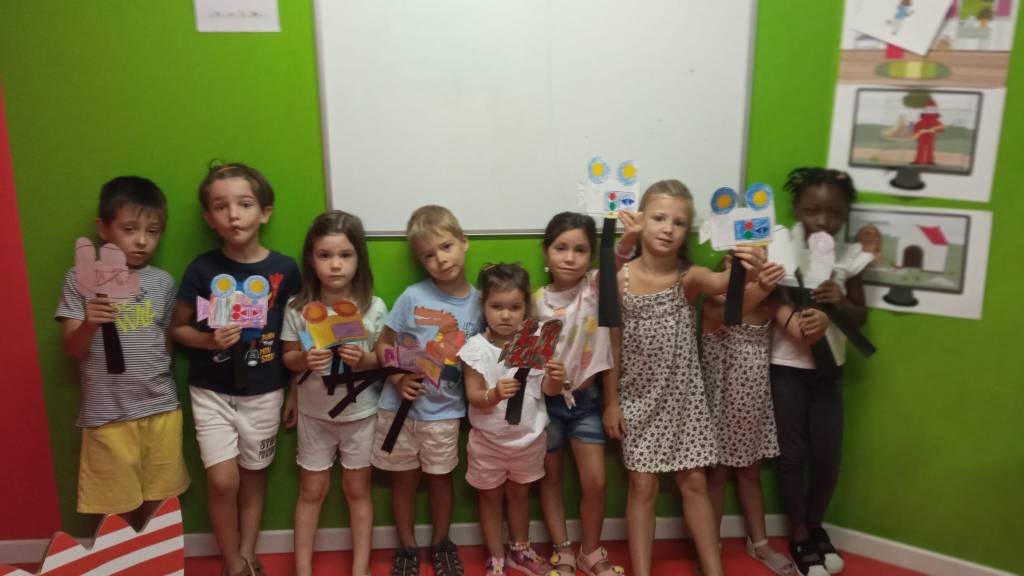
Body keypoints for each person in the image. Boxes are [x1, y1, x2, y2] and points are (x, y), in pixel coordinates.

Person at [610, 179, 764, 576]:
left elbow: (725, 283)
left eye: (678, 223)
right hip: (637, 398)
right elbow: (612, 346)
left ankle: (714, 570)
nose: (668, 229)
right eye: (659, 218)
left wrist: (748, 262)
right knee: (642, 487)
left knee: (694, 482)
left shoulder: (689, 276)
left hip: (684, 399)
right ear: (641, 220)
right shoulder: (620, 278)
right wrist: (611, 402)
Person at [170, 163, 300, 576]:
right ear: (208, 218)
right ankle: (232, 563)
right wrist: (209, 341)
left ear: (265, 212)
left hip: (265, 391)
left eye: (244, 204)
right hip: (211, 391)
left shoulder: (286, 270)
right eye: (220, 206)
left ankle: (246, 553)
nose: (233, 215)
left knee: (254, 476)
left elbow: (295, 336)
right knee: (223, 481)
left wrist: (295, 391)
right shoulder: (202, 269)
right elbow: (177, 329)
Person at [56, 176, 189, 529]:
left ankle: (157, 556)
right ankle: (122, 556)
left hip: (161, 407)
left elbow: (167, 341)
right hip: (107, 413)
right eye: (129, 229)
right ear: (103, 228)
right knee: (115, 511)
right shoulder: (79, 279)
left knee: (161, 504)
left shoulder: (162, 282)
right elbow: (72, 349)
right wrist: (90, 323)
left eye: (153, 231)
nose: (142, 240)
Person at [772, 167, 873, 576]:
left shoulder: (850, 257)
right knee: (792, 455)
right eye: (813, 211)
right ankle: (798, 534)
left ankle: (816, 526)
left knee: (828, 457)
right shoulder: (782, 246)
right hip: (788, 367)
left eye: (834, 213)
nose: (823, 221)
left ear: (844, 215)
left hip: (830, 371)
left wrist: (839, 302)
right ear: (798, 209)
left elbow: (861, 315)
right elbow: (770, 300)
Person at [702, 256, 828, 576]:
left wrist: (821, 320)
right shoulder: (714, 302)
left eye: (753, 261)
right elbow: (728, 315)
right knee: (716, 476)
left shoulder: (769, 303)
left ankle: (758, 543)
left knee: (750, 474)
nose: (744, 268)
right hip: (718, 405)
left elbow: (802, 332)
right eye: (737, 261)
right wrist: (760, 286)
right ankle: (710, 546)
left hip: (752, 406)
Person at [371, 205, 480, 576]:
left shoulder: (480, 303)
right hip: (399, 410)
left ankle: (441, 543)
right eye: (428, 255)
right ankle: (406, 547)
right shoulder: (412, 297)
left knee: (440, 480)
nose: (440, 259)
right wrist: (397, 379)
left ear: (464, 242)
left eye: (446, 247)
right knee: (403, 482)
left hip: (445, 413)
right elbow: (383, 345)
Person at [280, 210, 386, 576]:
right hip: (314, 415)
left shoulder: (373, 307)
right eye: (325, 255)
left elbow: (382, 359)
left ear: (359, 258)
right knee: (311, 492)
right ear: (311, 259)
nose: (335, 265)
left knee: (358, 491)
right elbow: (288, 358)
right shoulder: (297, 308)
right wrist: (304, 359)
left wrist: (364, 359)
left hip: (361, 415)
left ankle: (360, 568)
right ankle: (302, 569)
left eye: (345, 255)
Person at [533, 211, 638, 576]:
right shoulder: (535, 301)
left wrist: (628, 237)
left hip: (587, 402)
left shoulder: (594, 288)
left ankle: (590, 551)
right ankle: (562, 549)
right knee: (550, 478)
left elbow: (616, 260)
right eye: (561, 248)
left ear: (591, 256)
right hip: (545, 404)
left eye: (580, 250)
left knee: (595, 482)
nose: (570, 257)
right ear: (546, 252)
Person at [459, 263, 564, 575]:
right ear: (484, 306)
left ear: (525, 308)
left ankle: (520, 548)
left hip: (528, 441)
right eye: (497, 307)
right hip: (488, 443)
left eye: (514, 307)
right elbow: (473, 394)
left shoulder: (535, 342)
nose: (505, 315)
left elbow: (547, 390)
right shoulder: (476, 348)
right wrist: (493, 394)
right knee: (490, 499)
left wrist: (556, 378)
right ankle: (496, 556)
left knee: (520, 496)